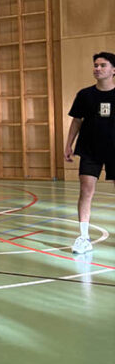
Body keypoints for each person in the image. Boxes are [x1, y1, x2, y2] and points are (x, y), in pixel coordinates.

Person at [64, 51, 115, 254]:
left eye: (103, 65)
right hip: (90, 149)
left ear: (113, 70)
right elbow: (77, 121)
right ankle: (84, 237)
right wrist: (68, 144)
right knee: (86, 191)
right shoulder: (85, 95)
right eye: (96, 65)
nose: (98, 68)